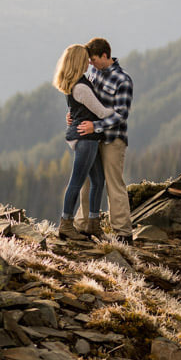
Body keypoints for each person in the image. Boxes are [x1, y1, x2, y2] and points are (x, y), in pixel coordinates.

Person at [74, 37, 134, 244]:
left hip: (112, 139)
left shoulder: (122, 80)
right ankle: (82, 226)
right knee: (87, 181)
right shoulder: (93, 73)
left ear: (105, 56)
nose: (90, 64)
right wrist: (73, 116)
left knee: (113, 184)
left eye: (93, 60)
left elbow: (120, 115)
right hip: (91, 138)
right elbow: (85, 101)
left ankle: (123, 232)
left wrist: (96, 126)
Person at [52, 44, 112, 241]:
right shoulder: (82, 87)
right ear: (79, 61)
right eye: (85, 59)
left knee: (98, 180)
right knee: (77, 182)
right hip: (86, 139)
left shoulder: (75, 84)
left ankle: (93, 223)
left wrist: (72, 117)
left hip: (85, 137)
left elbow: (76, 111)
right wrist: (120, 112)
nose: (89, 62)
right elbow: (102, 112)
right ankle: (66, 224)